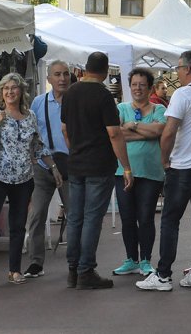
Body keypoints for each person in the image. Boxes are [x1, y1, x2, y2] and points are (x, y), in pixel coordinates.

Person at [136, 50, 191, 292]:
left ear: (188, 69)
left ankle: (164, 274)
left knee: (170, 220)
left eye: (178, 68)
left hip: (184, 165)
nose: (176, 72)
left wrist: (164, 160)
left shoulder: (183, 94)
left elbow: (169, 130)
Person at [0, 73, 60, 288]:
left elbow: (38, 146)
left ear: (21, 92)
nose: (10, 92)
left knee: (18, 226)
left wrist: (53, 167)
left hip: (23, 178)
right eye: (6, 88)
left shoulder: (29, 116)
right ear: (1, 92)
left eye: (14, 88)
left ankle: (15, 270)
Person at [61, 52, 133, 290]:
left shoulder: (70, 93)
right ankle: (86, 270)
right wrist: (126, 166)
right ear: (104, 72)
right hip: (99, 164)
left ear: (86, 69)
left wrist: (76, 150)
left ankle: (73, 270)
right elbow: (114, 133)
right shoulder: (103, 96)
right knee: (92, 217)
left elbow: (64, 130)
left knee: (75, 217)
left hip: (76, 163)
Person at [111, 68, 166, 277]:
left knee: (145, 217)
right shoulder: (121, 108)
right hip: (122, 171)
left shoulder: (158, 109)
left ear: (150, 87)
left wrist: (132, 126)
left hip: (151, 172)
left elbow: (159, 131)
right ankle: (131, 259)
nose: (137, 88)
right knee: (127, 217)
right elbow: (116, 134)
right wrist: (144, 131)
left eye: (142, 84)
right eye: (134, 84)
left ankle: (145, 260)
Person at [24, 60, 71, 279]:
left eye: (65, 74)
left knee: (76, 215)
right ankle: (35, 262)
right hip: (44, 166)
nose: (62, 78)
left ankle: (76, 261)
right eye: (57, 74)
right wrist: (33, 157)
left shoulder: (76, 101)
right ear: (49, 79)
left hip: (70, 167)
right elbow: (32, 132)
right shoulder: (38, 102)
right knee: (36, 215)